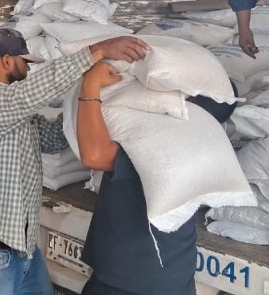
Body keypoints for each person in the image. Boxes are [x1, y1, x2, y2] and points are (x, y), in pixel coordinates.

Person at [0, 28, 149, 295]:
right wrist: (99, 50)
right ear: (7, 61)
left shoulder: (14, 113)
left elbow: (55, 138)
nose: (28, 69)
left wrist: (88, 99)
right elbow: (33, 91)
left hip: (21, 248)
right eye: (24, 62)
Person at [75, 64, 200, 295]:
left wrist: (90, 84)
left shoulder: (165, 145)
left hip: (132, 277)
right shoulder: (204, 142)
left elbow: (95, 155)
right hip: (174, 272)